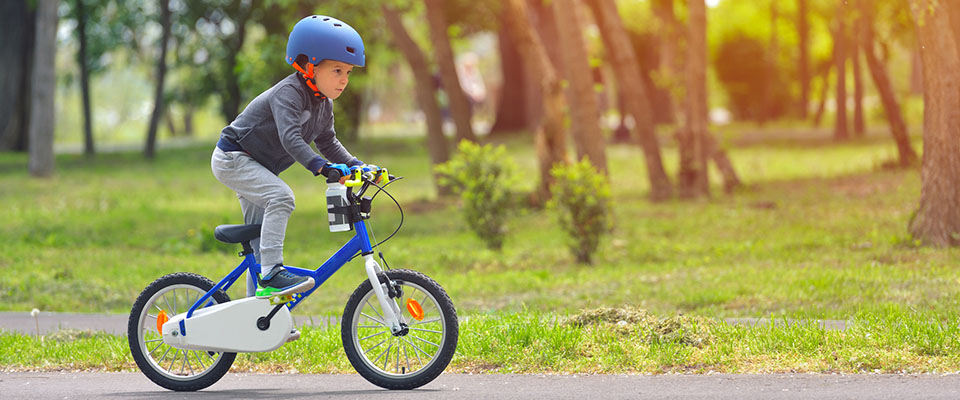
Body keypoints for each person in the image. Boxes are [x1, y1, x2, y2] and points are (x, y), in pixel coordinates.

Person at [211, 15, 367, 298]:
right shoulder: (289, 93)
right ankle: (271, 275)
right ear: (310, 66)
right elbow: (290, 138)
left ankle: (255, 320)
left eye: (348, 72)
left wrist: (358, 165)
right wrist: (320, 168)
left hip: (257, 165)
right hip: (234, 156)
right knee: (281, 197)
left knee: (259, 243)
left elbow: (328, 141)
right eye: (336, 70)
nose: (344, 80)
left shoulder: (323, 103)